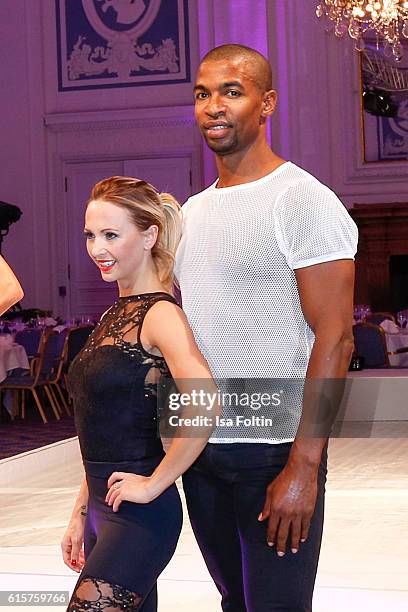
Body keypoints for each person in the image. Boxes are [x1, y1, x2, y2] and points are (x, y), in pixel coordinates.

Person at [175, 44, 358, 611]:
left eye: (232, 91)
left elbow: (336, 339)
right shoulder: (189, 212)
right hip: (202, 448)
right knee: (235, 603)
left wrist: (304, 466)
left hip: (275, 450)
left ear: (267, 103)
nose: (214, 106)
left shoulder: (302, 200)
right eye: (203, 94)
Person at [62, 176, 218, 611]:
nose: (97, 249)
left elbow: (205, 401)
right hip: (101, 510)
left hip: (140, 518)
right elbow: (102, 424)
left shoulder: (160, 314)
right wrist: (80, 512)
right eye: (91, 235)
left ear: (149, 235)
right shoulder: (115, 312)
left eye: (112, 235)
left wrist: (156, 483)